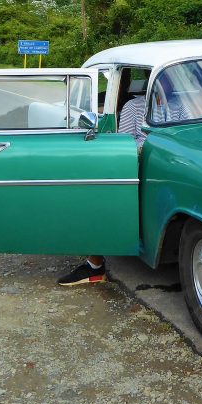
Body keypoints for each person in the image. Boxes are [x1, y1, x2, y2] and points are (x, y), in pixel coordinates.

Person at [56, 88, 149, 287]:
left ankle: (95, 264)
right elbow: (125, 145)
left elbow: (124, 142)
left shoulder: (133, 106)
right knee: (96, 195)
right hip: (148, 162)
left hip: (144, 162)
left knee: (95, 196)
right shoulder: (176, 104)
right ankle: (95, 261)